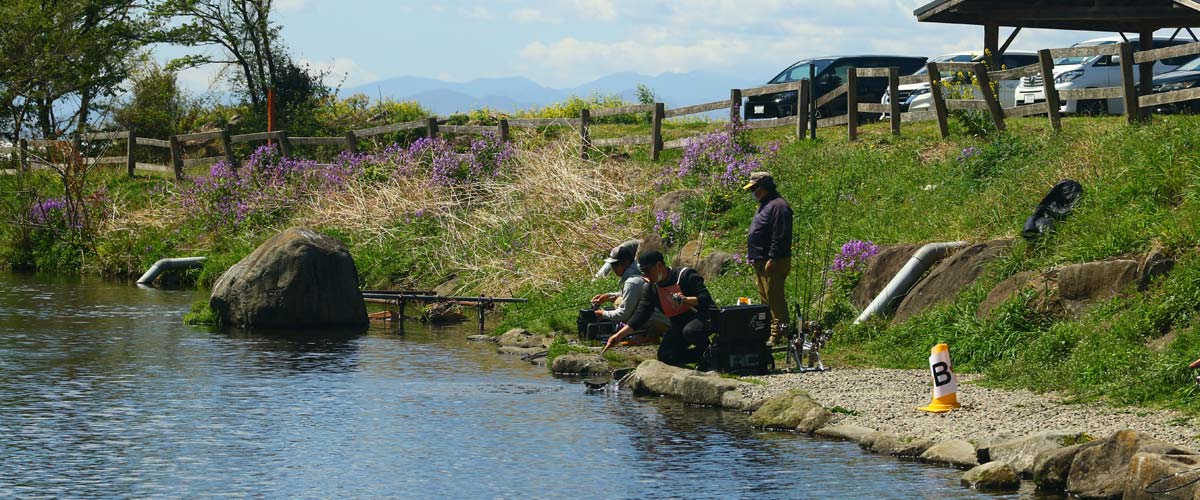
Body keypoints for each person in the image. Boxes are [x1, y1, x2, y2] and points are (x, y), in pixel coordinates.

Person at [602, 251, 715, 369]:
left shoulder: (685, 275)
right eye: (643, 273)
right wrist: (617, 336)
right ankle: (702, 357)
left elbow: (705, 299)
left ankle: (711, 353)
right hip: (679, 323)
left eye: (648, 271)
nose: (646, 276)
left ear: (659, 266)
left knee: (691, 331)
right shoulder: (651, 289)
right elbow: (640, 315)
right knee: (665, 355)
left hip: (703, 317)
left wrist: (687, 299)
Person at [744, 171, 793, 345]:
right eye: (751, 189)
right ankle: (771, 329)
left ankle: (779, 332)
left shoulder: (779, 206)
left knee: (775, 298)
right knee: (766, 299)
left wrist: (773, 258)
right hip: (760, 260)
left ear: (766, 186)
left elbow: (780, 236)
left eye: (756, 188)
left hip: (772, 262)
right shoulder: (765, 204)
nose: (753, 192)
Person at [591, 240, 668, 341]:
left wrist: (603, 314)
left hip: (659, 322)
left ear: (626, 263)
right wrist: (608, 296)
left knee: (619, 302)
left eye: (615, 265)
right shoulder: (637, 272)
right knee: (619, 300)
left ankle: (646, 336)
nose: (613, 268)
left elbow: (623, 313)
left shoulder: (632, 281)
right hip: (664, 318)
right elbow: (630, 295)